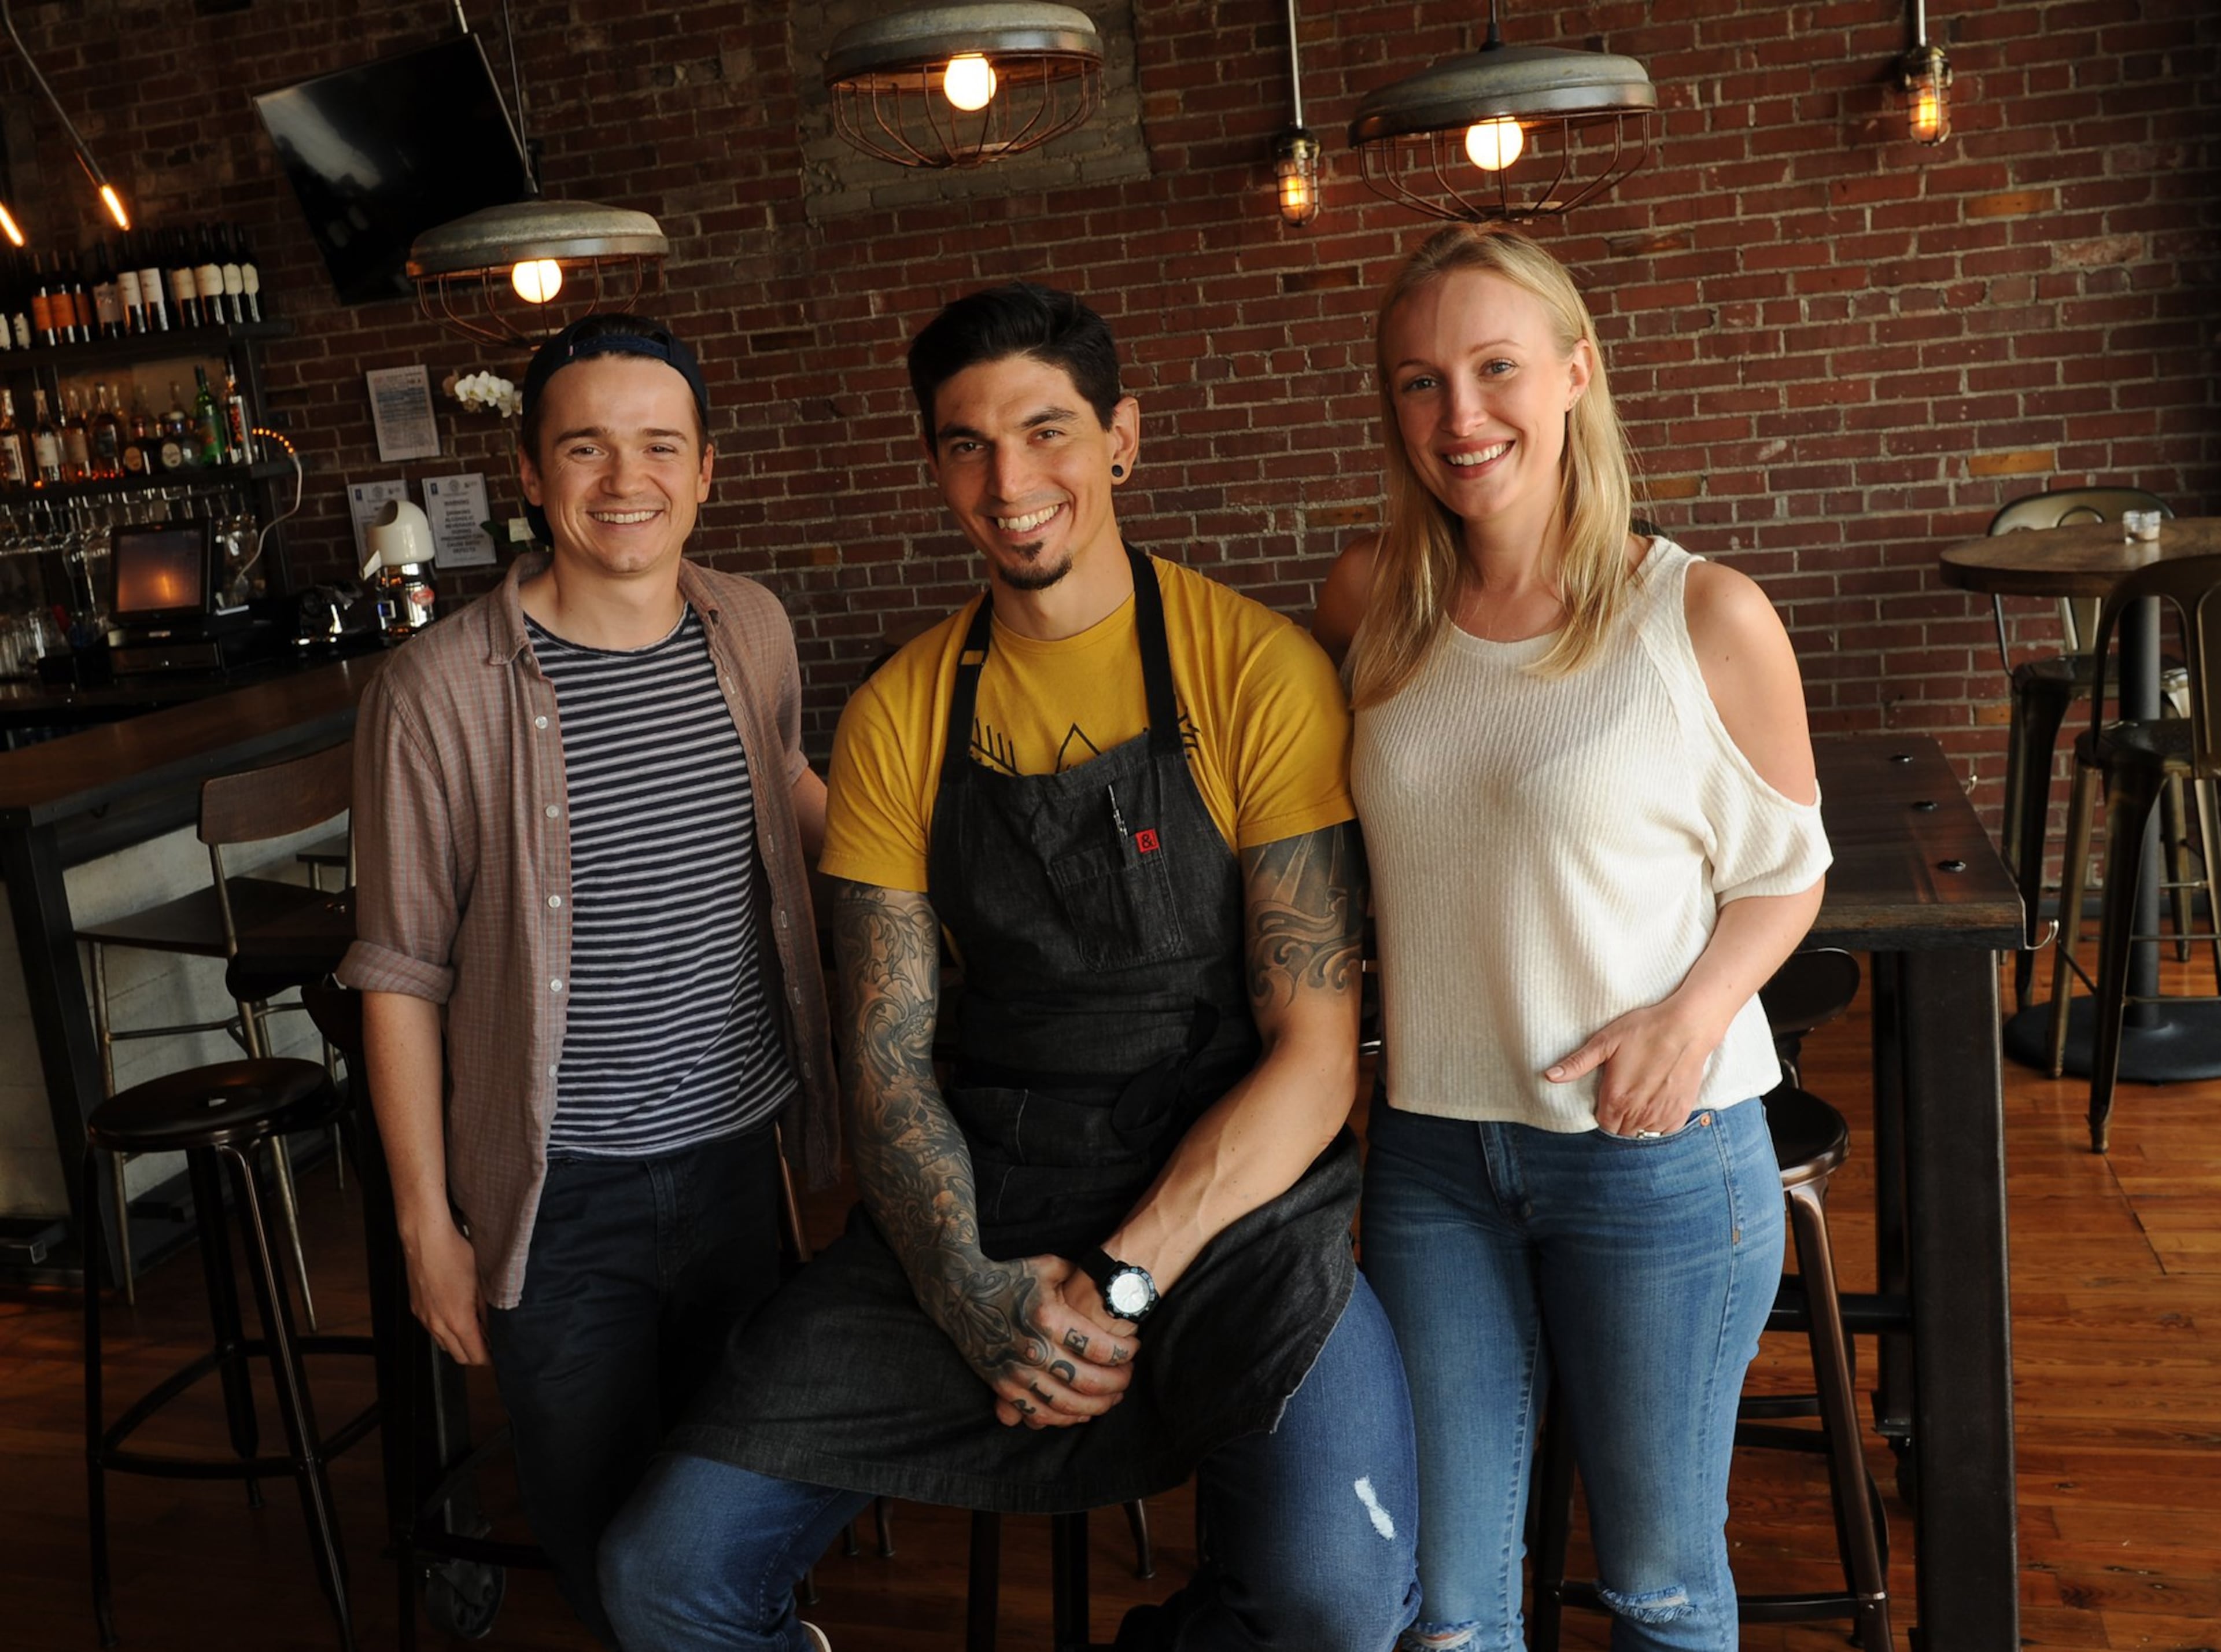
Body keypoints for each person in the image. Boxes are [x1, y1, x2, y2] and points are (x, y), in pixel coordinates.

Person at [600, 282, 1419, 1652]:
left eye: (1046, 431)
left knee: (1335, 1602)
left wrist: (1120, 1283)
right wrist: (968, 1286)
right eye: (967, 445)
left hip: (1230, 1208)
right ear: (936, 468)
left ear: (1121, 439)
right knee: (660, 1576)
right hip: (983, 1193)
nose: (1009, 481)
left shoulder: (1257, 672)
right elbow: (883, 1058)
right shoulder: (900, 713)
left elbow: (1317, 1057)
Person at [1313, 224, 1829, 1652]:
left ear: (1577, 374)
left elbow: (1789, 872)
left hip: (1653, 1159)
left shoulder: (1703, 612)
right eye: (1420, 382)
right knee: (1444, 1612)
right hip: (1433, 1154)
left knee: (1659, 1586)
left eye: (1496, 368)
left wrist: (1691, 1016)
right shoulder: (1369, 602)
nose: (1459, 415)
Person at [338, 312, 839, 1646]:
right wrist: (425, 1225)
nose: (628, 481)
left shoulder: (751, 625)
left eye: (661, 446)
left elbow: (787, 780)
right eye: (586, 448)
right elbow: (398, 970)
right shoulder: (434, 691)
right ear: (530, 470)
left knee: (734, 1512)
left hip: (738, 1160)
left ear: (707, 469)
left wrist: (924, 877)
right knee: (603, 1540)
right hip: (557, 1198)